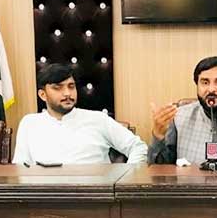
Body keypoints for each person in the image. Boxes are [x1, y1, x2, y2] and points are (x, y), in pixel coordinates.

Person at [12, 63, 147, 165]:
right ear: (42, 95)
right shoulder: (30, 123)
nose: (67, 93)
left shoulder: (98, 119)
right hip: (45, 193)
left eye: (71, 86)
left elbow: (138, 147)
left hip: (95, 193)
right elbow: (21, 167)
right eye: (58, 88)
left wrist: (125, 180)